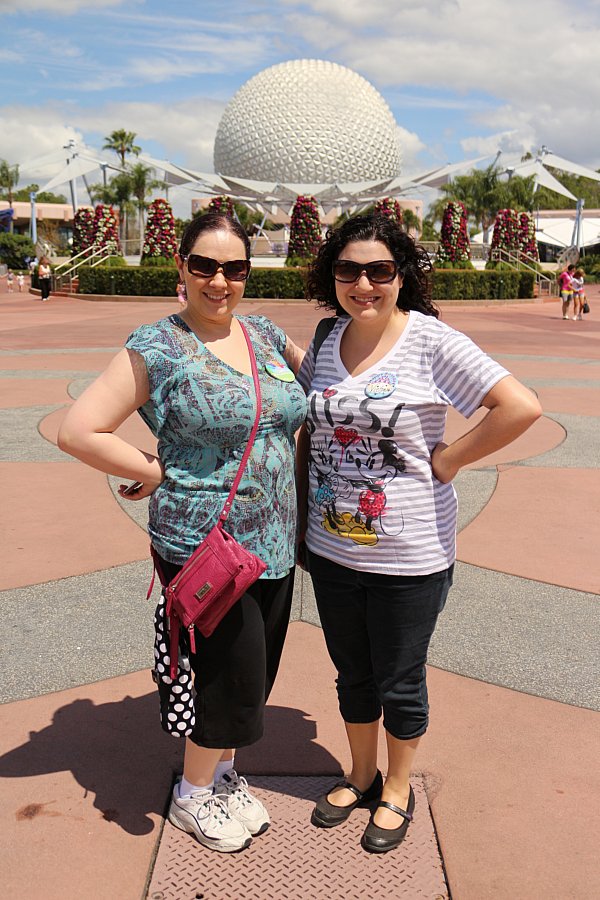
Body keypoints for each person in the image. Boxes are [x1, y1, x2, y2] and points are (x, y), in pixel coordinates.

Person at [58, 212, 307, 854]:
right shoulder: (160, 345)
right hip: (206, 544)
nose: (218, 281)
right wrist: (151, 468)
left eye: (234, 268)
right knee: (224, 674)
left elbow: (327, 387)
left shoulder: (265, 335)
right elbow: (79, 428)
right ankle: (194, 793)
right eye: (204, 265)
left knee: (254, 672)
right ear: (182, 267)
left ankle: (222, 774)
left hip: (277, 539)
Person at [296, 214, 541, 854]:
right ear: (333, 277)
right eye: (349, 270)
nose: (364, 284)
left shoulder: (430, 343)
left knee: (400, 677)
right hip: (331, 546)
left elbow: (519, 406)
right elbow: (309, 428)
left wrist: (451, 458)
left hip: (411, 554)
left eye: (380, 270)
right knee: (352, 672)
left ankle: (397, 788)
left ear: (400, 275)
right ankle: (360, 773)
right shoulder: (326, 339)